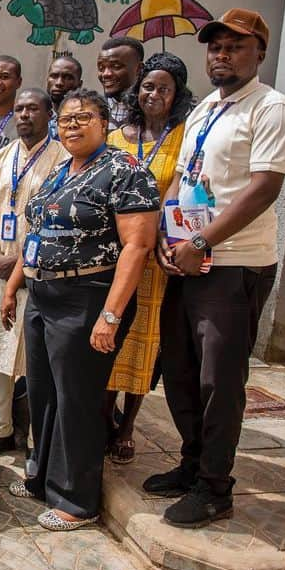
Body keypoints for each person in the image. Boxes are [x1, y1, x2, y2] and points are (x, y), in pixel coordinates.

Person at [149, 9, 285, 527]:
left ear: (259, 51)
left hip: (234, 266)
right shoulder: (204, 109)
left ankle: (216, 487)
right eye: (215, 46)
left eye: (235, 46)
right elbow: (183, 177)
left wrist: (200, 239)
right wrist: (167, 238)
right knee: (179, 369)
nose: (222, 54)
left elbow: (264, 188)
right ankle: (192, 465)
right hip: (187, 260)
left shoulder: (271, 108)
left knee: (220, 379)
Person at [0, 88, 159, 531]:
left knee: (79, 399)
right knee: (45, 392)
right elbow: (35, 233)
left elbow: (137, 246)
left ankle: (77, 500)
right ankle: (42, 477)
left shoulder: (125, 171)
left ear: (104, 122)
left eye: (82, 118)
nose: (71, 126)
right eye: (65, 120)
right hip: (42, 295)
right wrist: (14, 286)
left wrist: (110, 315)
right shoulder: (61, 171)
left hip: (87, 298)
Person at [0, 88, 67, 457]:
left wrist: (22, 260)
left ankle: (36, 441)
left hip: (40, 273)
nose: (25, 115)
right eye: (20, 109)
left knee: (35, 357)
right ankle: (1, 428)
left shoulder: (63, 160)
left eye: (33, 109)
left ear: (49, 114)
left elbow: (58, 220)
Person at [104, 52, 193, 464]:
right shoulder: (117, 137)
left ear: (177, 94)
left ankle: (127, 426)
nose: (154, 94)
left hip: (156, 259)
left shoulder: (183, 137)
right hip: (118, 253)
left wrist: (161, 234)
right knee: (111, 330)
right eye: (147, 87)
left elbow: (181, 190)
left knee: (145, 339)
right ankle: (104, 415)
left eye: (164, 88)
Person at [97, 37, 144, 130]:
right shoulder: (93, 110)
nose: (106, 74)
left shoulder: (151, 111)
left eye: (116, 66)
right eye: (101, 68)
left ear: (139, 69)